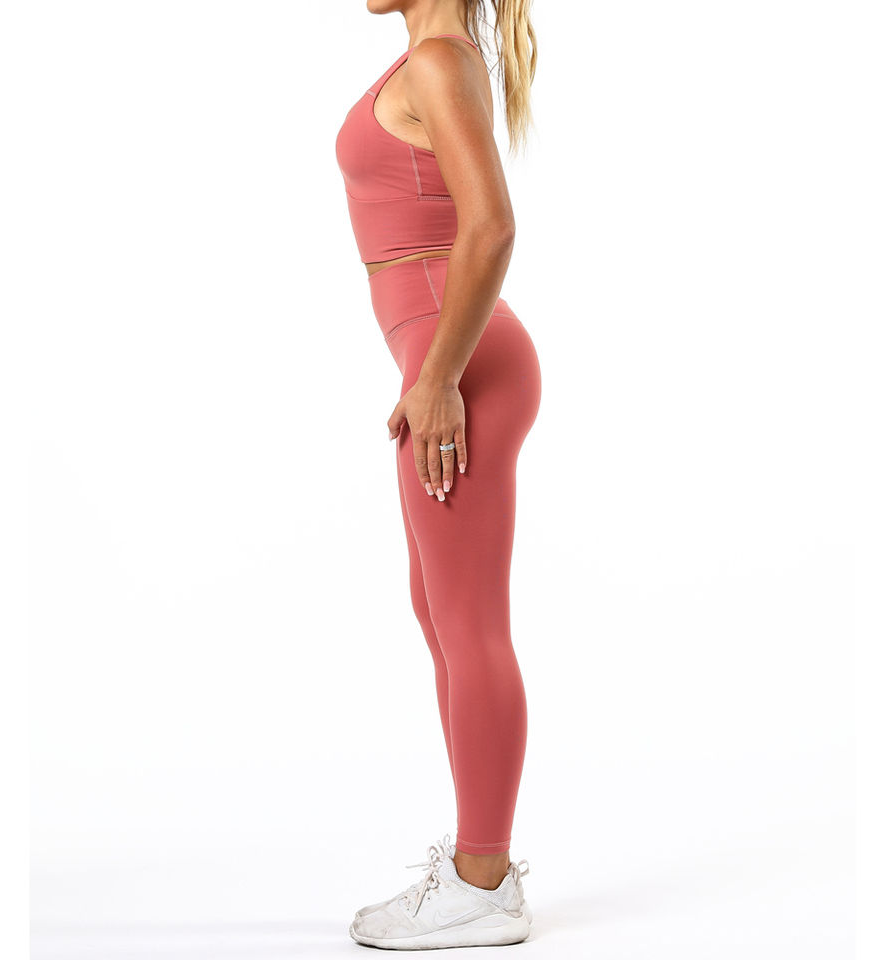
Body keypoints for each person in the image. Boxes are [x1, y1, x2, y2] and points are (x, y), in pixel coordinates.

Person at [334, 0, 540, 948]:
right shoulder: (431, 58)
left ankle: (483, 884)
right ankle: (474, 867)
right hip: (446, 360)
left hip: (461, 368)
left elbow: (491, 228)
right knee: (443, 616)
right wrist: (433, 373)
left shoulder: (441, 60)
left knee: (469, 622)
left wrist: (440, 380)